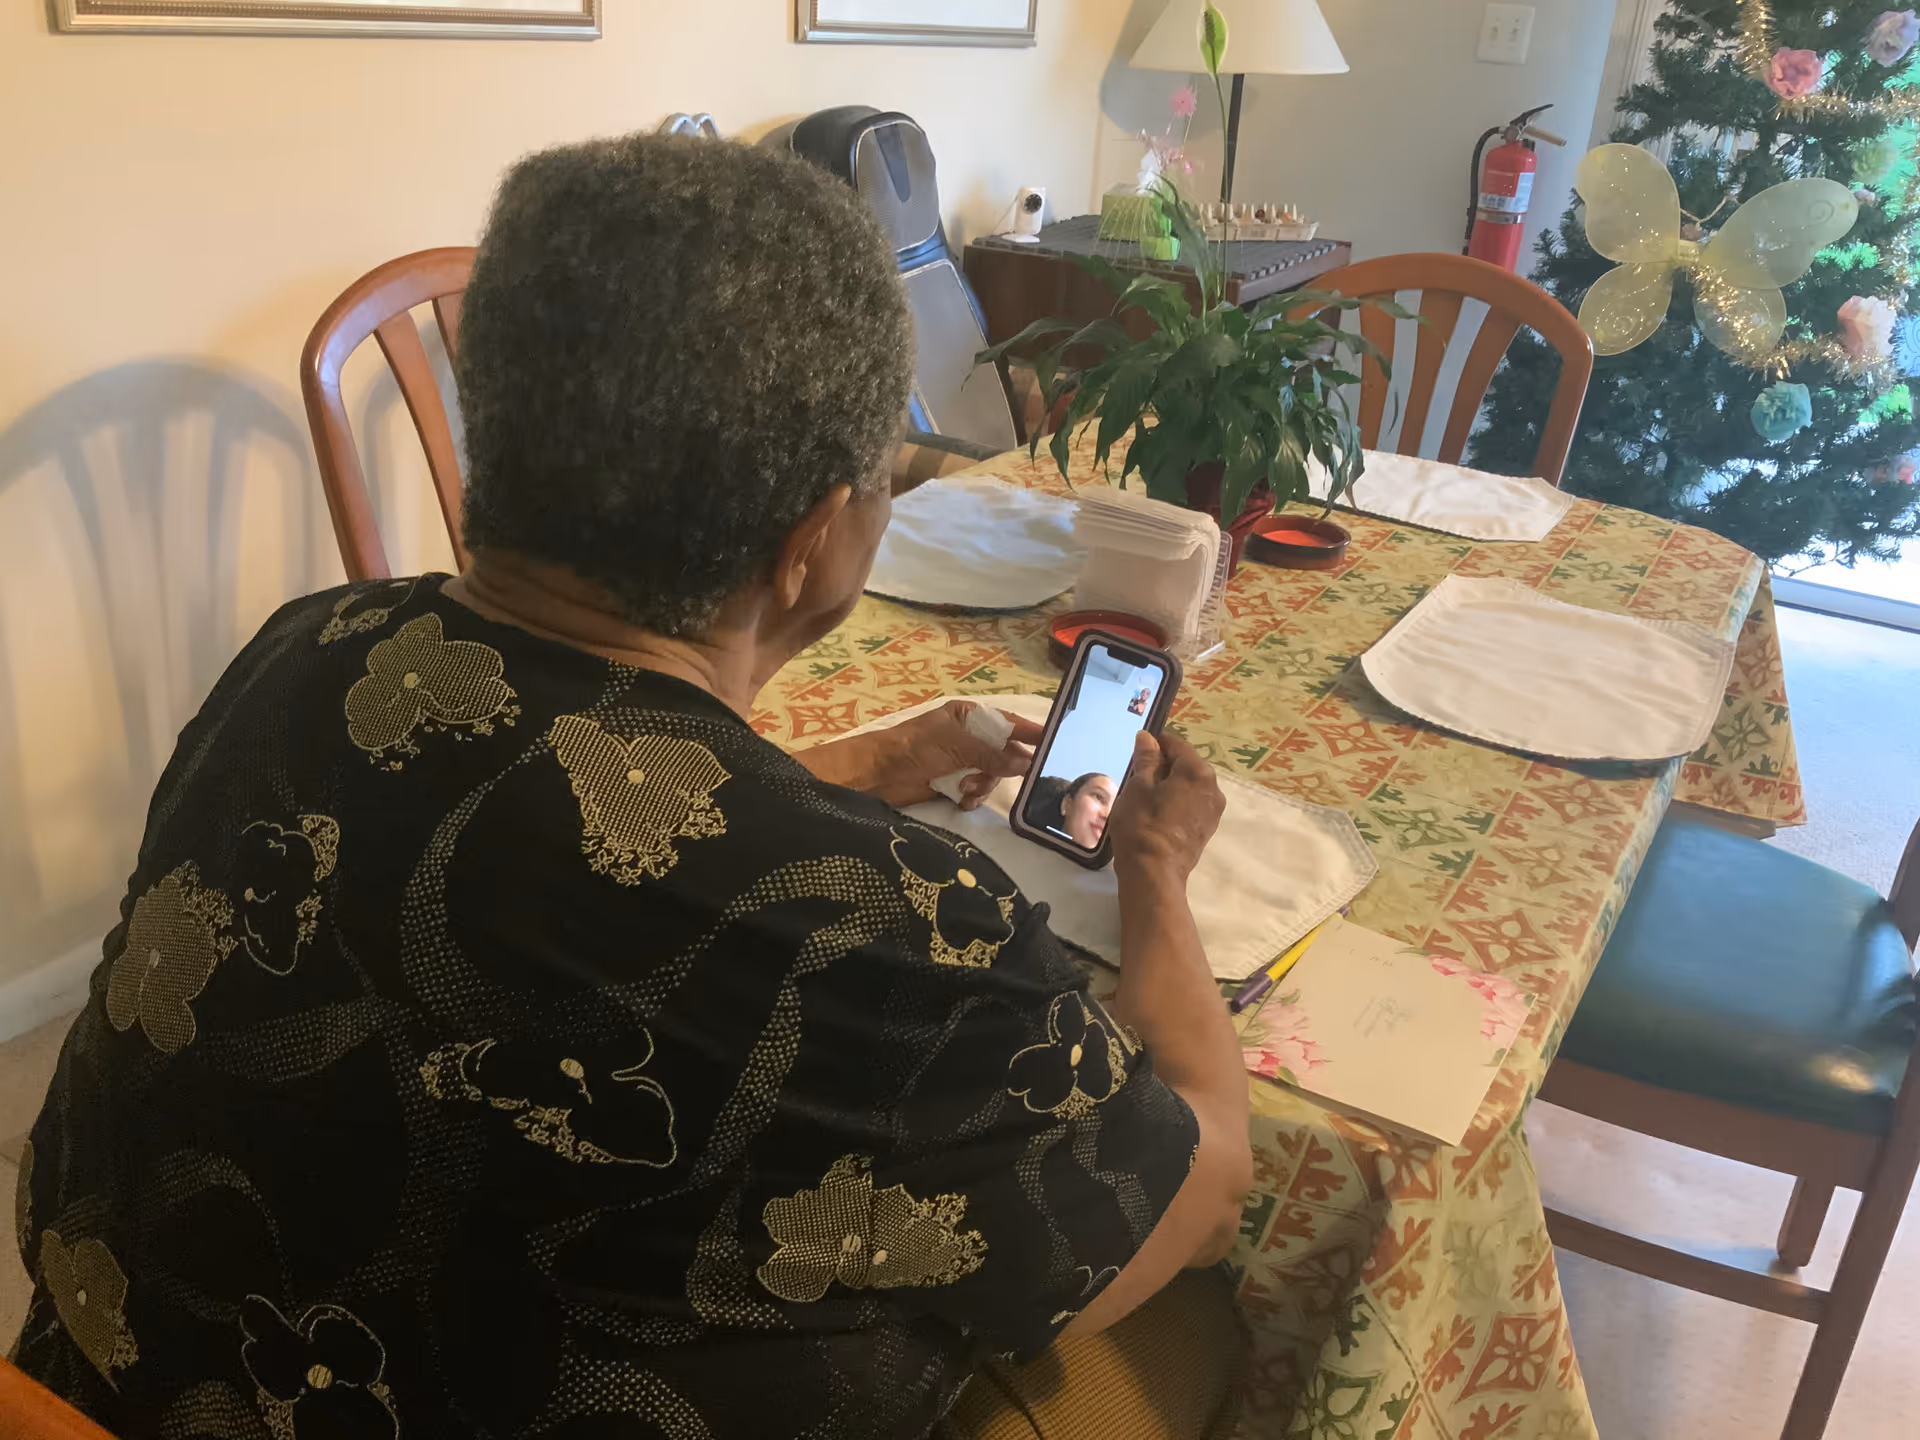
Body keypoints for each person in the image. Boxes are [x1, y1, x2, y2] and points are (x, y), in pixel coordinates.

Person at [10, 135, 1249, 1440]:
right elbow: (1199, 1186)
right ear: (814, 540)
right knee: (1199, 1319)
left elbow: (535, 832)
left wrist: (861, 766)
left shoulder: (305, 649)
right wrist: (1158, 872)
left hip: (110, 1382)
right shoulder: (885, 921)